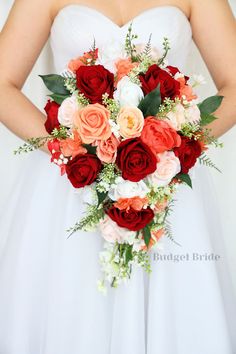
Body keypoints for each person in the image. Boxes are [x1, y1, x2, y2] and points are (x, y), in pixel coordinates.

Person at [0, 0, 235, 353]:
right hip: (70, 187)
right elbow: (3, 83)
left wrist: (172, 142)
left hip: (164, 184)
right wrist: (73, 146)